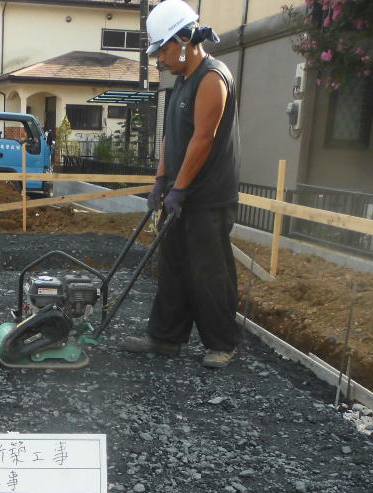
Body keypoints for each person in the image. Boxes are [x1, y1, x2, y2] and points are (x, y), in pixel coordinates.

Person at [123, 0, 242, 369]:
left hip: (207, 198)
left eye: (163, 48)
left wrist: (180, 189)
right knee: (172, 267)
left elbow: (202, 140)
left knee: (209, 272)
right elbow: (171, 137)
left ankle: (222, 344)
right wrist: (161, 179)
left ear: (185, 39)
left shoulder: (212, 78)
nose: (159, 57)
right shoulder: (184, 80)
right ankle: (165, 338)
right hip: (181, 194)